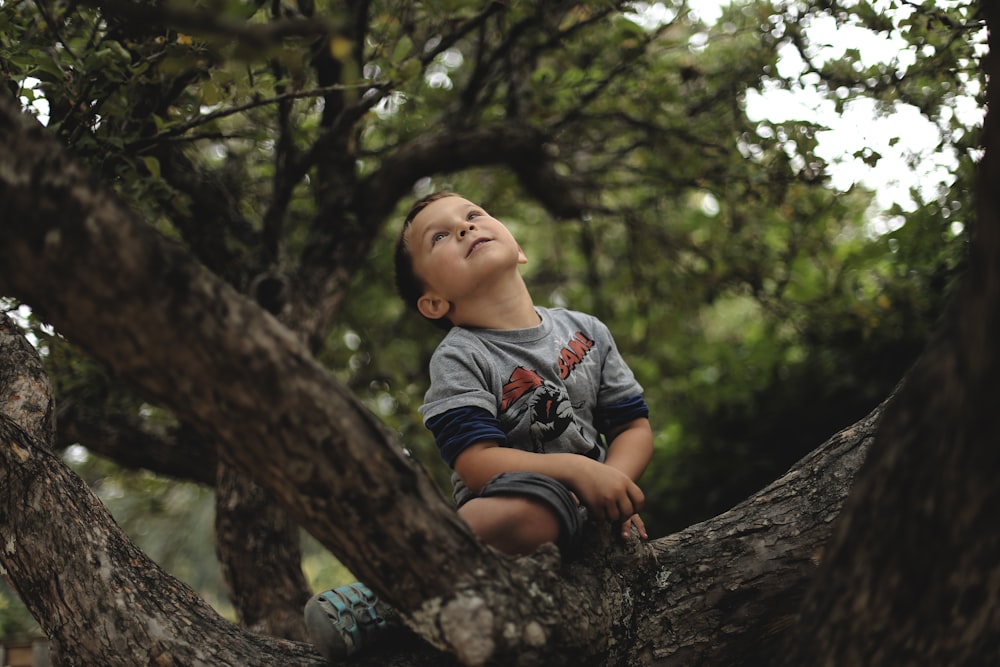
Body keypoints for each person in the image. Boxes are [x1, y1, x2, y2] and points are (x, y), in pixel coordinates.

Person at [304, 191, 653, 661]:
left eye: (473, 216)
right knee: (534, 510)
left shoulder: (586, 329)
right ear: (433, 302)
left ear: (518, 249)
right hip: (504, 516)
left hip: (588, 515)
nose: (466, 228)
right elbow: (476, 463)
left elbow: (632, 424)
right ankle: (395, 592)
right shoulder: (461, 356)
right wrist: (579, 471)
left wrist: (613, 486)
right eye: (441, 236)